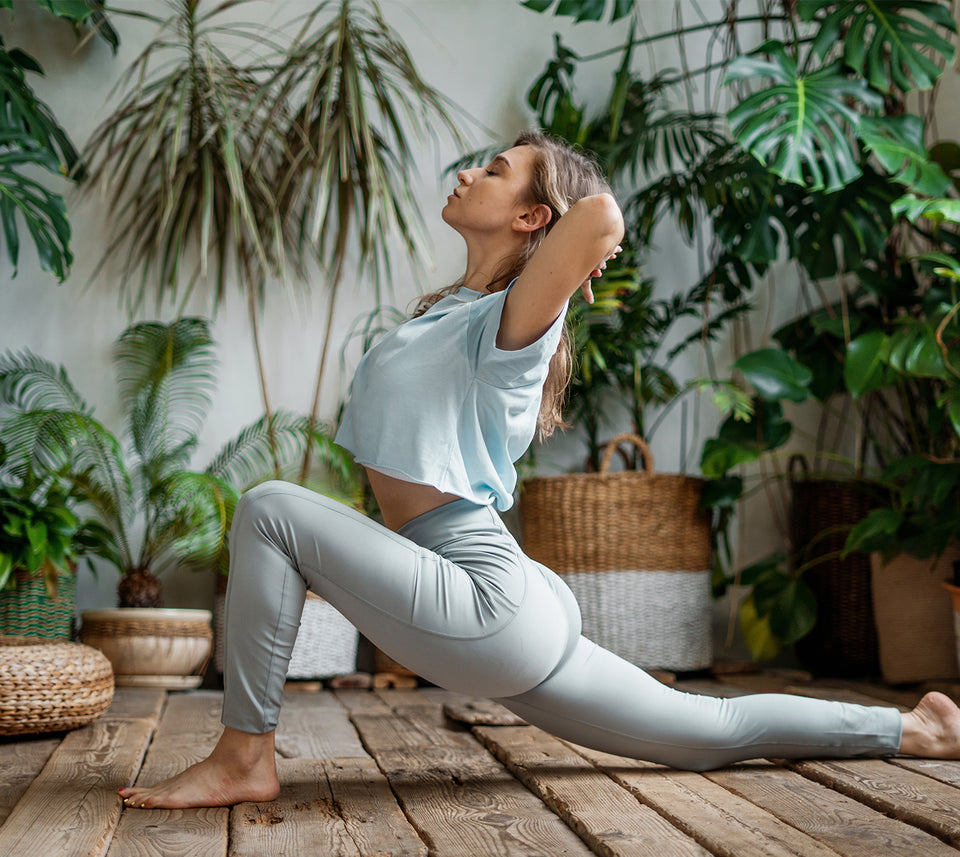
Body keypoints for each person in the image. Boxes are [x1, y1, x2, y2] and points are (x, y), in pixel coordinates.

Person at [118, 131, 960, 809]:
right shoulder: (451, 313)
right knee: (708, 730)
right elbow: (579, 226)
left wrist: (572, 250)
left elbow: (598, 216)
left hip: (485, 597)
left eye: (496, 169)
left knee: (270, 505)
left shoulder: (513, 323)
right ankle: (913, 731)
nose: (467, 173)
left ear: (532, 217)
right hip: (500, 592)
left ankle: (243, 756)